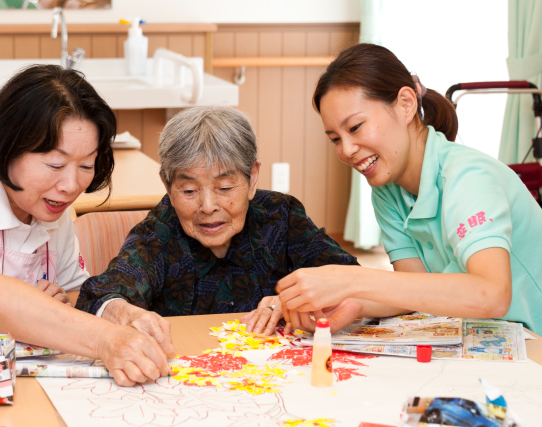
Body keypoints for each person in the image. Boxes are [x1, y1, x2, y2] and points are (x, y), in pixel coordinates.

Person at [0, 64, 169, 386]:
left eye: (86, 165)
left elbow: (74, 289)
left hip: (12, 373)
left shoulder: (46, 204)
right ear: (7, 146)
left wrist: (115, 311)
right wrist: (105, 339)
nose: (71, 185)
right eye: (55, 164)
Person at [277, 43, 542, 334]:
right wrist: (351, 302)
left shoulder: (468, 176)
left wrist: (350, 280)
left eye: (354, 127)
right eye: (335, 139)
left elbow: (492, 295)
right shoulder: (387, 191)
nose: (348, 150)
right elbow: (413, 288)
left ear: (406, 104)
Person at [76, 106, 358, 344]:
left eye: (224, 187)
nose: (208, 206)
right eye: (189, 191)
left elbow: (349, 276)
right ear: (167, 185)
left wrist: (292, 301)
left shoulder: (281, 217)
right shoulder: (157, 234)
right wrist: (126, 314)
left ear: (252, 177)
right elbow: (101, 295)